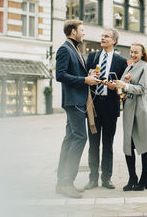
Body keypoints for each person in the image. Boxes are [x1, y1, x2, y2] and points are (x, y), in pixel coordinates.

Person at [55, 20, 100, 198]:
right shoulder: (65, 49)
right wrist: (84, 80)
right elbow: (60, 75)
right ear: (73, 32)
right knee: (80, 138)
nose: (84, 33)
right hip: (74, 101)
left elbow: (73, 73)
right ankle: (67, 182)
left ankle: (62, 182)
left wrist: (88, 76)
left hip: (77, 100)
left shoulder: (75, 49)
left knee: (70, 138)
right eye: (82, 30)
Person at [83, 28, 128, 190]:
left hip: (110, 106)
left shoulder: (121, 61)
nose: (103, 38)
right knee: (93, 144)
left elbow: (123, 86)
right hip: (93, 107)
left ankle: (106, 178)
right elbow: (85, 77)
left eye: (106, 36)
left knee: (108, 144)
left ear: (114, 41)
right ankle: (92, 179)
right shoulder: (92, 56)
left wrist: (115, 86)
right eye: (102, 36)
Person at [115, 43, 147, 191]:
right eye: (131, 52)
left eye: (135, 52)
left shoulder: (145, 67)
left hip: (141, 108)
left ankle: (144, 177)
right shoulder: (129, 67)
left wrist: (125, 86)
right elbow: (124, 87)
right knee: (128, 144)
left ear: (142, 53)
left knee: (144, 142)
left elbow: (143, 88)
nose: (132, 54)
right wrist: (122, 83)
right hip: (129, 107)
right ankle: (132, 177)